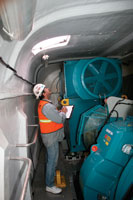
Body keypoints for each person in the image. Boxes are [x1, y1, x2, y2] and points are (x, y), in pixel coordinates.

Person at [33, 83, 67, 194]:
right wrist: (63, 113)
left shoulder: (44, 104)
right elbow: (59, 119)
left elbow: (53, 117)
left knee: (50, 159)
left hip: (50, 136)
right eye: (46, 88)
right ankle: (50, 185)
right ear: (44, 93)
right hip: (50, 137)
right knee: (52, 161)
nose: (48, 88)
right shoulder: (46, 106)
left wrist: (59, 112)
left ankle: (50, 181)